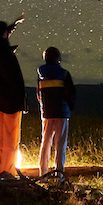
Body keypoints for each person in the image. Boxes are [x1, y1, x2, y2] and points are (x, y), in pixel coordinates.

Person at [0, 16, 26, 178]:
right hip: (11, 99)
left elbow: (2, 36)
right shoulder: (4, 53)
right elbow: (12, 77)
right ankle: (8, 172)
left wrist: (12, 26)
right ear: (2, 34)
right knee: (10, 138)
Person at [37, 46, 76, 181]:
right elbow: (70, 94)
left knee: (45, 143)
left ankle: (42, 175)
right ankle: (59, 176)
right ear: (58, 58)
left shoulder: (40, 73)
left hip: (47, 113)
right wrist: (70, 107)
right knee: (60, 145)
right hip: (62, 112)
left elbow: (39, 93)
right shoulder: (64, 74)